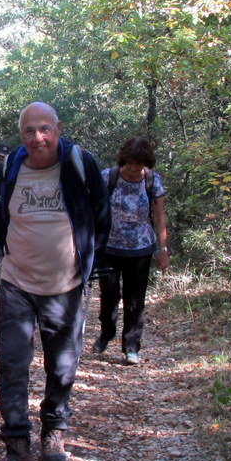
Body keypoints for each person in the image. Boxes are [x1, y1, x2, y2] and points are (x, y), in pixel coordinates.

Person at [0, 102, 110, 461]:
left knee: (62, 366)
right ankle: (16, 449)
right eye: (28, 131)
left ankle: (54, 431)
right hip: (16, 283)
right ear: (19, 134)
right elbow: (2, 217)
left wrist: (86, 266)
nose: (37, 138)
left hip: (66, 285)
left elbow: (100, 216)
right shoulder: (10, 168)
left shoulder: (79, 163)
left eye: (44, 129)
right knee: (12, 365)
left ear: (57, 128)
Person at [92, 137, 169, 364]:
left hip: (141, 249)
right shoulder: (109, 177)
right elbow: (95, 209)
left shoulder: (152, 181)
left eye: (140, 164)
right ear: (124, 159)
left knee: (135, 299)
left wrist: (162, 250)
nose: (135, 168)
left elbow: (159, 216)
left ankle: (132, 346)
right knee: (109, 295)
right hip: (110, 248)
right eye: (132, 163)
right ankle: (107, 333)